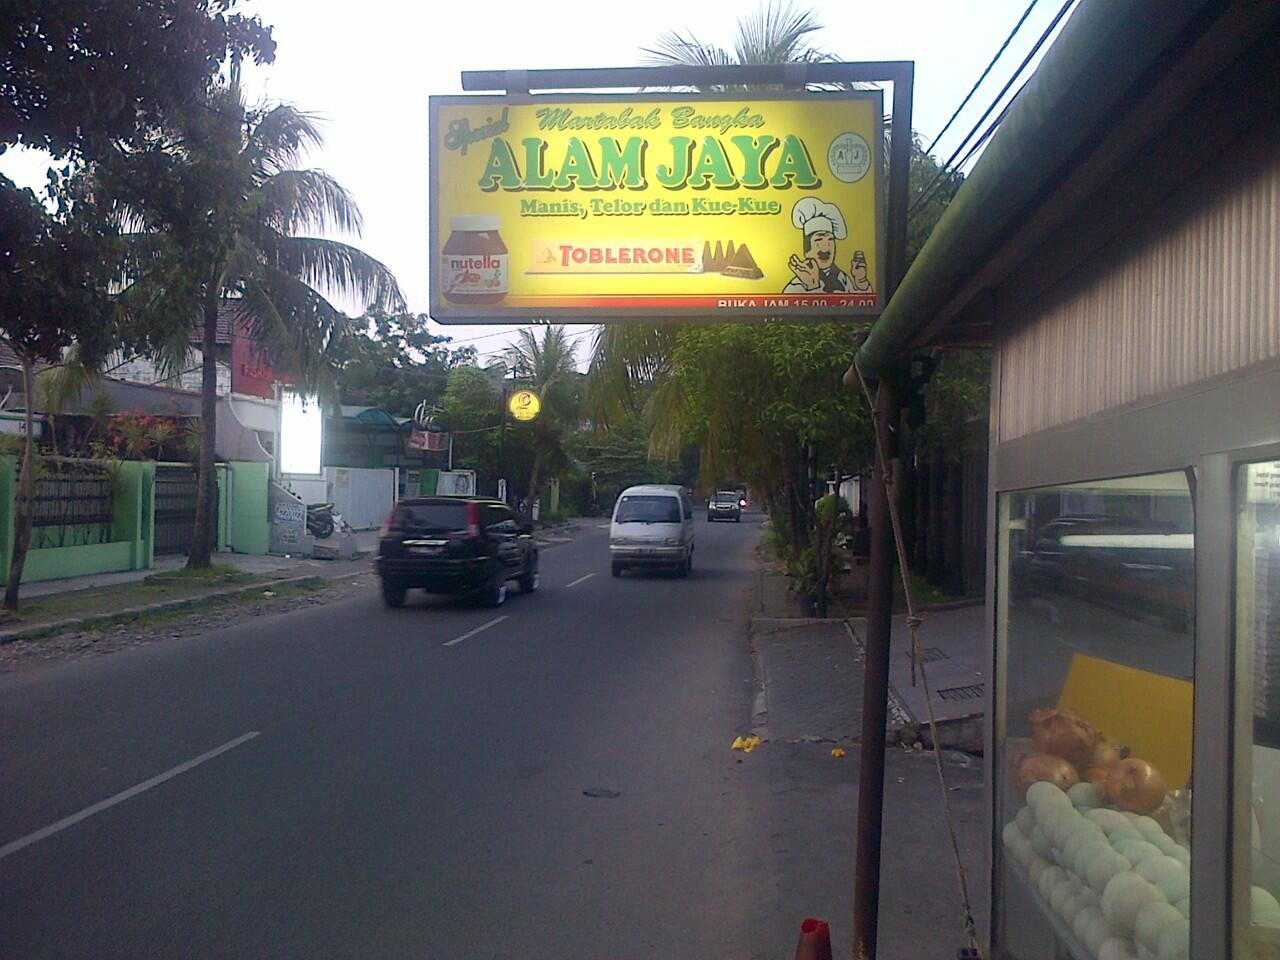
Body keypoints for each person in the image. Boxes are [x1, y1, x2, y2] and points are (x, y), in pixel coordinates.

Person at [783, 197, 872, 295]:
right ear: (807, 249)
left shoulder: (842, 278)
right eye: (819, 240)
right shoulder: (796, 286)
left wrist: (861, 282)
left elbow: (859, 307)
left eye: (830, 240)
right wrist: (813, 287)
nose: (825, 247)